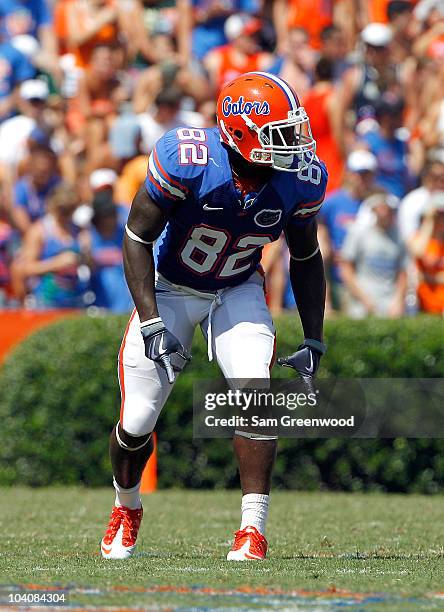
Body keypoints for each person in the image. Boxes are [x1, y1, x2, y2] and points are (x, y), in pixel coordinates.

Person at [100, 72, 328, 561]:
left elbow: (306, 256)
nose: (295, 144)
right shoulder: (187, 160)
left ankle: (252, 529)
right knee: (137, 421)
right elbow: (138, 236)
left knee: (254, 392)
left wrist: (314, 336)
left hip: (237, 289)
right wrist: (151, 319)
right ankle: (127, 506)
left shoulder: (299, 180)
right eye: (281, 134)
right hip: (172, 287)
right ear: (241, 134)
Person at [317, 149, 378, 311]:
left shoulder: (376, 203)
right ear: (350, 174)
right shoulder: (332, 203)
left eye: (367, 174)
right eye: (360, 174)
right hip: (339, 274)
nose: (363, 180)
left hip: (369, 272)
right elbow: (320, 230)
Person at [10, 182, 85, 308]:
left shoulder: (77, 231)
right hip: (45, 303)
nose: (66, 215)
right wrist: (55, 264)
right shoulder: (39, 231)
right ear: (53, 206)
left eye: (70, 209)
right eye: (63, 209)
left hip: (74, 301)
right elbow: (23, 269)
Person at [340, 191, 407, 317]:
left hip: (389, 302)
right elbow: (346, 268)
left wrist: (398, 300)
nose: (385, 212)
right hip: (361, 303)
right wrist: (363, 298)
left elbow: (403, 272)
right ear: (373, 210)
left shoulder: (399, 238)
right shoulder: (359, 234)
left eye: (388, 209)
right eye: (381, 208)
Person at [86, 190, 132, 313]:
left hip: (126, 295)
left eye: (113, 213)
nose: (112, 218)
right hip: (101, 297)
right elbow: (88, 265)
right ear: (99, 217)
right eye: (107, 215)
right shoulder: (88, 237)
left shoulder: (124, 233)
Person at [407, 191, 444, 314]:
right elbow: (417, 252)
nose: (441, 219)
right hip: (423, 308)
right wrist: (429, 221)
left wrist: (429, 278)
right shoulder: (419, 238)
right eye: (439, 215)